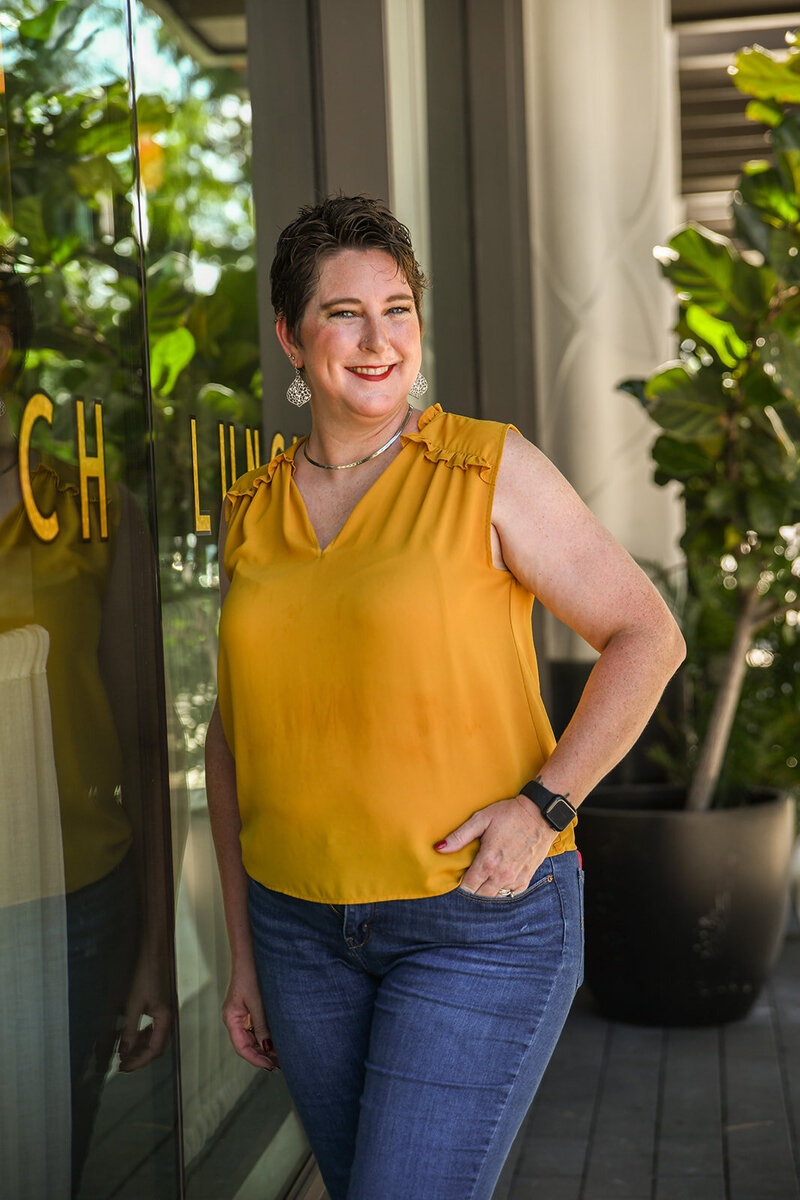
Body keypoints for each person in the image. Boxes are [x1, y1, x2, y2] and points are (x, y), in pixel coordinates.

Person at [205, 194, 685, 1200]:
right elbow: (231, 738)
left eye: (397, 310)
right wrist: (242, 951)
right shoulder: (248, 510)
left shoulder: (485, 467)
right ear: (291, 337)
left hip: (476, 920)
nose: (377, 341)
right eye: (343, 314)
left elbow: (646, 635)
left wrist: (545, 804)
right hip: (299, 935)